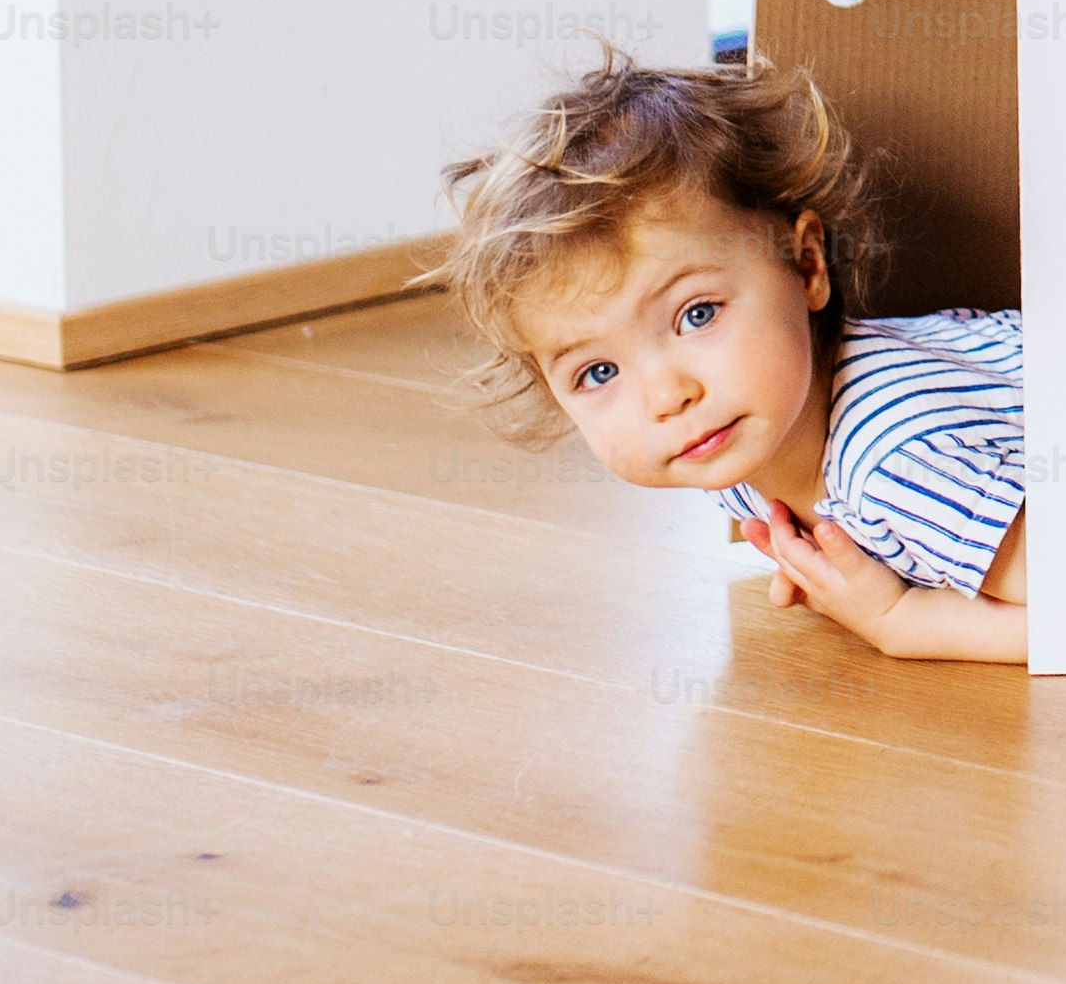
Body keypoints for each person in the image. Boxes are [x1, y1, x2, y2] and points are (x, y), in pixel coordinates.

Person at [441, 53, 1034, 662]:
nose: (666, 396)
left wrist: (899, 618)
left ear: (806, 265)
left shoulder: (895, 467)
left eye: (696, 314)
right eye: (598, 372)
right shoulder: (746, 433)